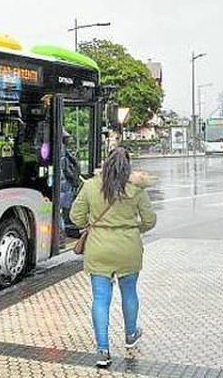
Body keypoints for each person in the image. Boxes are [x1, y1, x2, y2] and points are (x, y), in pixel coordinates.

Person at [69, 147, 156, 368]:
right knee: (129, 292)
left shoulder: (90, 186)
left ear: (106, 163)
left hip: (99, 249)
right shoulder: (136, 189)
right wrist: (133, 229)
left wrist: (91, 225)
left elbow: (75, 216)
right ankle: (130, 336)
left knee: (100, 298)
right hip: (128, 248)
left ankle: (102, 350)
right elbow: (149, 220)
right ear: (128, 167)